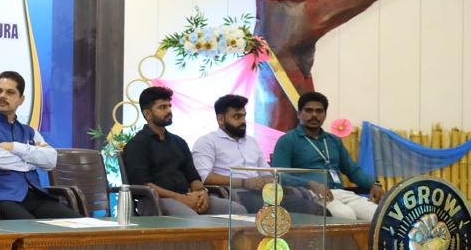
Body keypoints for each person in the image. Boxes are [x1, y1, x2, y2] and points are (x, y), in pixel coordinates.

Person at [0, 70, 80, 220]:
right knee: (32, 229)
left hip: (36, 195)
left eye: (10, 92)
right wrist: (31, 162)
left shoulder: (29, 131)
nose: (2, 96)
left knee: (79, 224)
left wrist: (15, 147)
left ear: (21, 99)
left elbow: (51, 160)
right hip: (2, 198)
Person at [193, 94, 324, 215]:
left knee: (314, 207)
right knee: (303, 208)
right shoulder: (207, 142)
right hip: (235, 194)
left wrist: (268, 179)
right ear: (221, 119)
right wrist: (244, 183)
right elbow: (204, 177)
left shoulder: (251, 142)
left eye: (244, 116)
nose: (243, 121)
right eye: (237, 117)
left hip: (262, 191)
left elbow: (265, 171)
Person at [123, 87, 244, 217]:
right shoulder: (137, 144)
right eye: (162, 107)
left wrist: (202, 193)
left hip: (186, 197)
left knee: (237, 211)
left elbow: (193, 177)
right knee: (192, 220)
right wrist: (180, 198)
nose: (169, 110)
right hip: (155, 200)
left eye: (169, 106)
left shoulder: (178, 142)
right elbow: (143, 184)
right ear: (148, 114)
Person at [271, 92, 382, 220]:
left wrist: (374, 183)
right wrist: (310, 184)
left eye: (319, 111)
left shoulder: (333, 140)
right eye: (309, 110)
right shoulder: (287, 140)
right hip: (311, 194)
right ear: (299, 114)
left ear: (325, 115)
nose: (314, 115)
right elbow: (280, 175)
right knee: (346, 215)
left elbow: (352, 170)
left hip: (340, 193)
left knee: (378, 214)